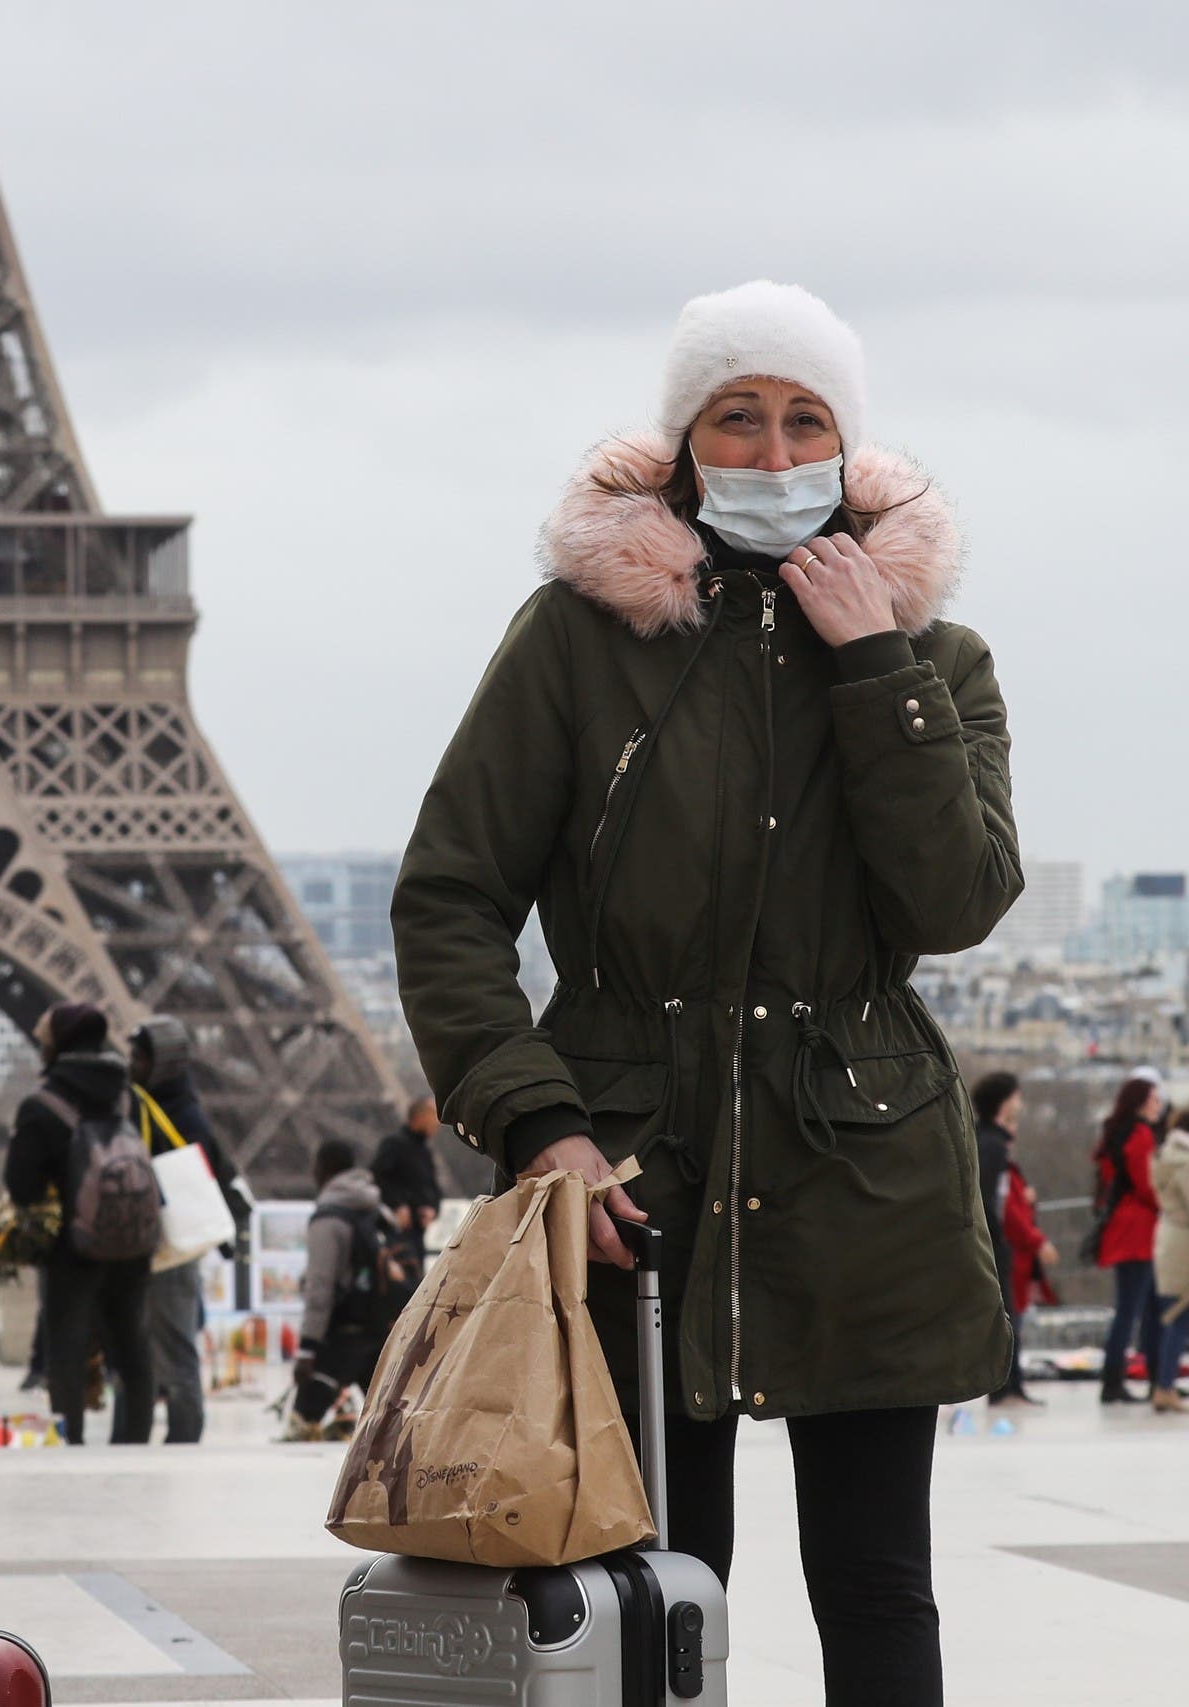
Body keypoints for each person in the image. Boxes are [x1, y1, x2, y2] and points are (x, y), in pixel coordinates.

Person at [394, 281, 1017, 1705]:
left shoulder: (939, 661)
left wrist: (874, 664)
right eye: (739, 416)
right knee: (657, 1591)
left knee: (876, 1587)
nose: (774, 445)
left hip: (863, 1178)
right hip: (626, 1178)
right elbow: (449, 896)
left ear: (851, 453)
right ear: (683, 445)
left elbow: (953, 898)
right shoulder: (577, 637)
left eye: (808, 419)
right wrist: (538, 1122)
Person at [6, 1002, 155, 1447]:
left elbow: (22, 1185)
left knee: (66, 1348)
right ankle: (134, 1441)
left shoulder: (43, 1104)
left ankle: (69, 1441)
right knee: (131, 1343)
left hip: (72, 1247)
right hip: (132, 1240)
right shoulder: (126, 1095)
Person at [128, 1014, 250, 1444]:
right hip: (164, 1244)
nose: (132, 1064)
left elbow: (204, 1168)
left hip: (172, 1247)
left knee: (175, 1345)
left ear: (160, 1063)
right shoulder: (167, 1106)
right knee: (165, 1343)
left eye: (140, 1057)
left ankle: (184, 1434)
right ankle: (177, 1428)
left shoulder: (178, 1113)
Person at [286, 1138, 397, 1441]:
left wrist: (307, 1347)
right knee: (396, 1426)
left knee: (302, 1427)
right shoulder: (378, 1209)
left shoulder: (329, 1218)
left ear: (324, 1169)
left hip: (341, 1335)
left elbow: (319, 1287)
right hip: (382, 1325)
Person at [972, 1072, 1046, 1408]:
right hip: (992, 1242)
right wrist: (997, 1236)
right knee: (1004, 1313)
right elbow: (987, 1198)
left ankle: (1012, 1385)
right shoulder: (991, 1145)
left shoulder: (990, 1141)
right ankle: (1005, 1388)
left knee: (1009, 1311)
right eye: (1016, 1097)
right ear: (1004, 1102)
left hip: (994, 1241)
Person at [1094, 1071, 1165, 1404]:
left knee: (1135, 1308)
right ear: (1141, 1101)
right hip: (1140, 1231)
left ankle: (1139, 1379)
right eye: (1154, 1099)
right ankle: (1131, 1381)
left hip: (1124, 1229)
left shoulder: (1115, 1134)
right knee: (1138, 1310)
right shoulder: (1140, 1135)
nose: (1159, 1105)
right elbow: (1147, 1184)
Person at [1151, 1106, 1189, 1414]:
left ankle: (1164, 1384)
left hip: (1171, 1238)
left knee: (1174, 1316)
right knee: (1179, 1315)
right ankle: (1165, 1386)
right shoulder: (1184, 1160)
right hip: (1183, 1244)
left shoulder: (1168, 1154)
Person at [371, 1095, 445, 1238]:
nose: (438, 1122)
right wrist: (397, 1204)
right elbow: (378, 1178)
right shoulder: (394, 1144)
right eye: (434, 1116)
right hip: (396, 1230)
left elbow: (432, 1186)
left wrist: (433, 1209)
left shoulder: (424, 1150)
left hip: (418, 1230)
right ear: (419, 1117)